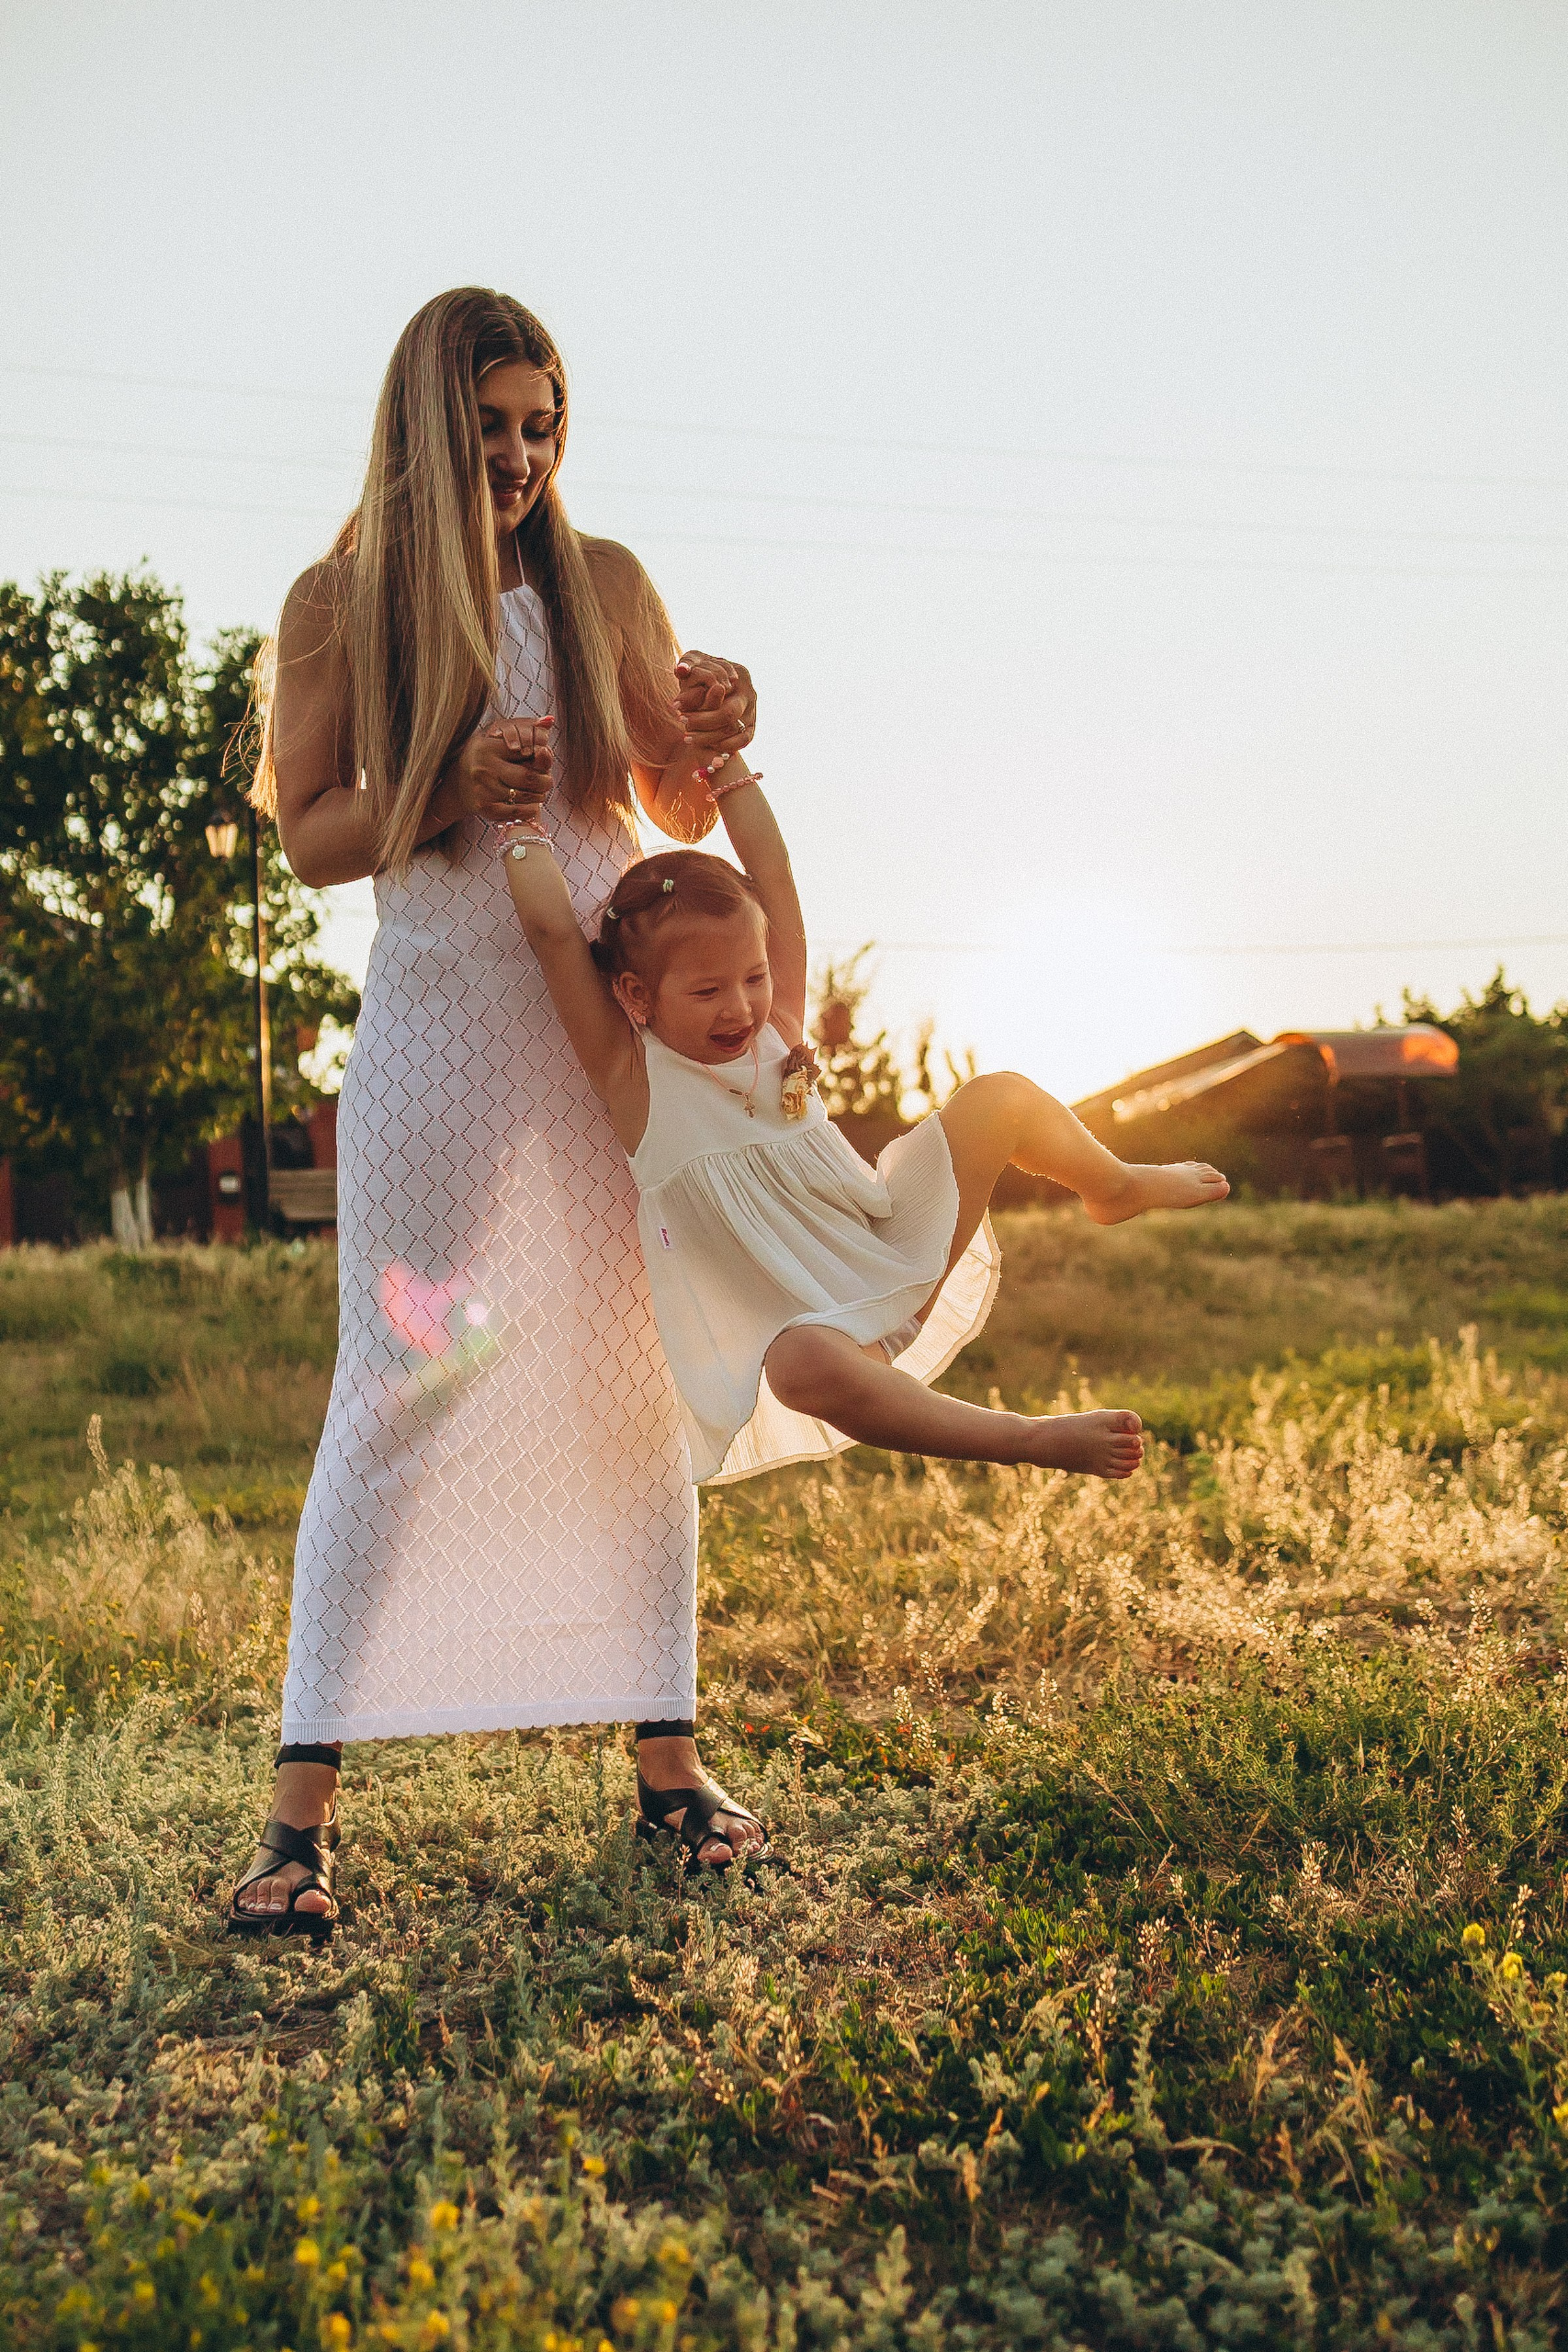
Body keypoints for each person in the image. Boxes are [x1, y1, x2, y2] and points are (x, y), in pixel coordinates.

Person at [229, 288, 766, 1938]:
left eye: (543, 428)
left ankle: (667, 1769)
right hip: (443, 1023)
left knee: (631, 1379)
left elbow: (665, 797)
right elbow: (313, 834)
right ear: (421, 430)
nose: (523, 459)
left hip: (596, 1019)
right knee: (399, 1377)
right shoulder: (337, 603)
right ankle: (295, 1824)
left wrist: (724, 734)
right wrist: (438, 791)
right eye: (490, 433)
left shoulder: (599, 583)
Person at [497, 764, 1230, 1512]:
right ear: (634, 995)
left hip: (892, 1246)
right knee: (795, 1364)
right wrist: (519, 825)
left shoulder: (780, 1031)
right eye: (708, 990)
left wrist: (724, 770)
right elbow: (555, 935)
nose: (741, 1006)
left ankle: (1111, 1184)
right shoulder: (633, 1076)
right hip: (830, 1331)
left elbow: (774, 880)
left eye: (752, 976)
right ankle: (1027, 1438)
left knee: (998, 1096)